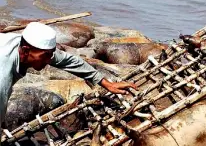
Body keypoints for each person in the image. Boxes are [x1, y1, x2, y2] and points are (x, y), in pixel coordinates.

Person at [0, 21, 137, 133]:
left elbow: (69, 60)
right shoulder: (3, 74)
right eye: (44, 56)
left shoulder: (31, 47)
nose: (49, 61)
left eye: (50, 55)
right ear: (25, 51)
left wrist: (105, 83)